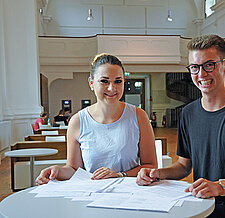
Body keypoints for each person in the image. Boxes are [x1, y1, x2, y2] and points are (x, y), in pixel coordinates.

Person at [136, 34, 225, 217]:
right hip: (200, 206)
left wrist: (220, 187)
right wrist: (157, 174)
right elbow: (183, 166)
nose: (201, 74)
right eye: (195, 67)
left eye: (209, 65)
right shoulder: (188, 113)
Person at [36, 53, 157, 184]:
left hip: (130, 191)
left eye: (118, 81)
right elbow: (74, 169)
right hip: (92, 192)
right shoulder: (77, 121)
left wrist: (120, 175)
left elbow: (150, 165)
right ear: (91, 83)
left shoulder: (139, 116)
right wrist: (57, 171)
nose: (112, 88)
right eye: (104, 81)